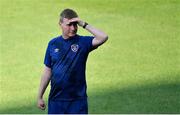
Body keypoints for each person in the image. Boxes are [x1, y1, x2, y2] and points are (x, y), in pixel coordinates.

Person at [37, 8, 108, 114]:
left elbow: (103, 37)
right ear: (60, 24)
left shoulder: (83, 42)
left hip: (77, 101)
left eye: (75, 24)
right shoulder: (52, 44)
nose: (73, 28)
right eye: (69, 25)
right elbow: (47, 71)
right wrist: (40, 96)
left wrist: (83, 24)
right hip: (56, 100)